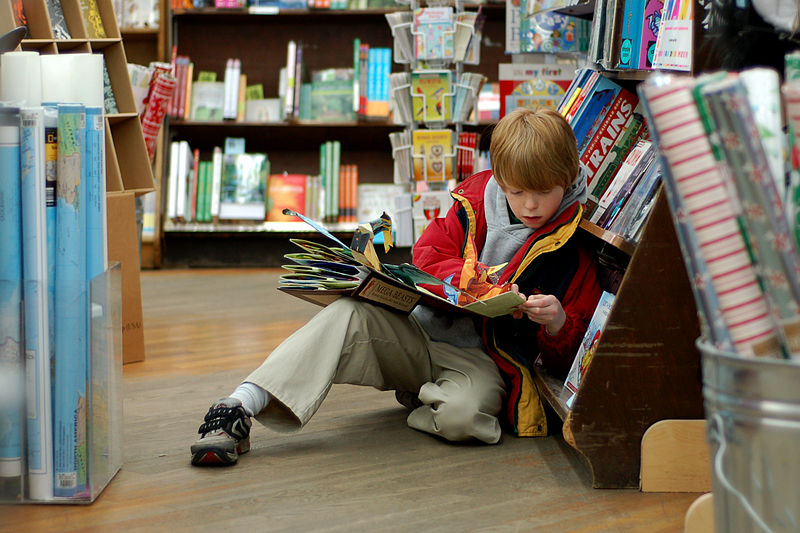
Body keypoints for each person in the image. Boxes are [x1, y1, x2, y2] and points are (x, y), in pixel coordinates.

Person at [190, 107, 604, 466]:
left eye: (543, 193)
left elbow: (575, 352)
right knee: (347, 315)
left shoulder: (575, 245)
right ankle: (239, 405)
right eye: (516, 192)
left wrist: (556, 322)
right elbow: (427, 255)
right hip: (420, 331)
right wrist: (474, 281)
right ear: (499, 178)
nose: (530, 204)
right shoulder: (476, 202)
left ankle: (424, 395)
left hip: (481, 360)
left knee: (463, 419)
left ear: (567, 180)